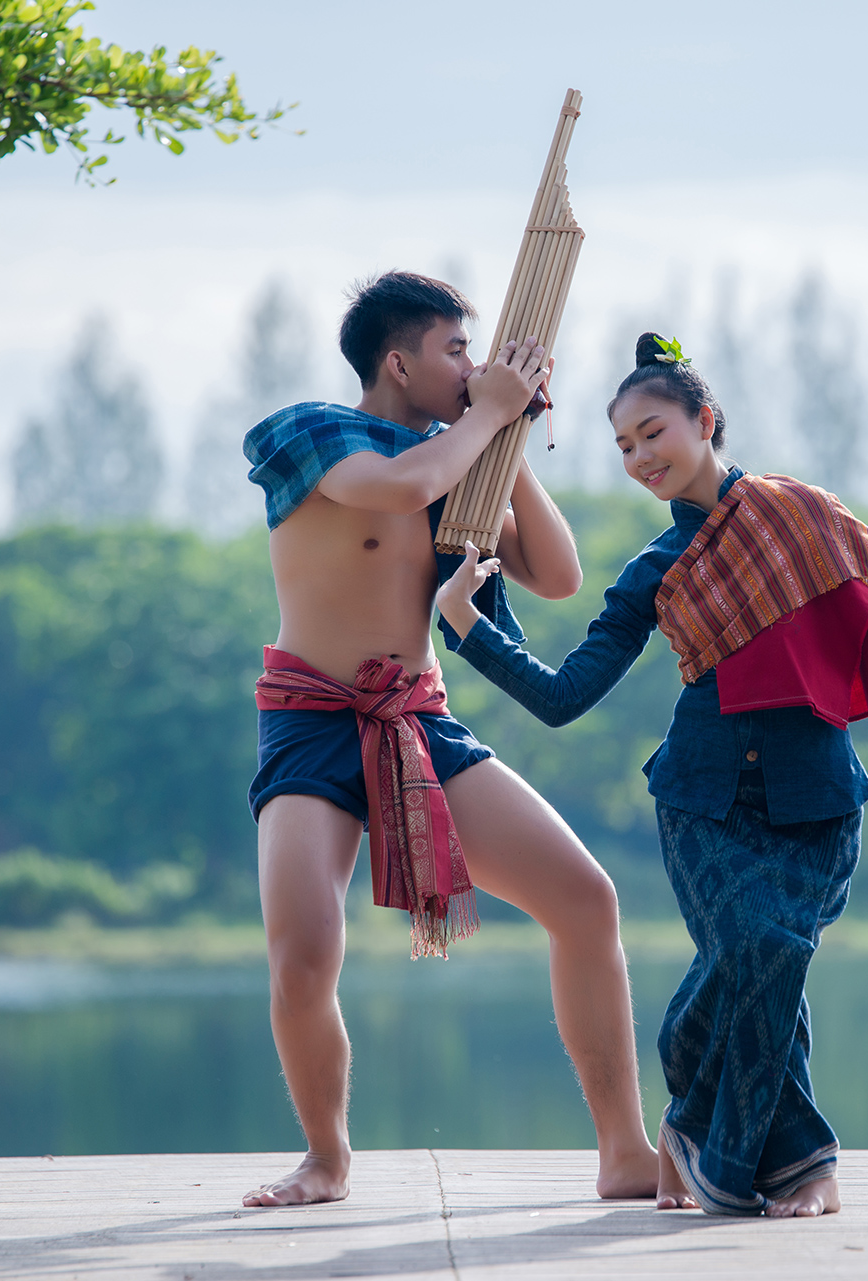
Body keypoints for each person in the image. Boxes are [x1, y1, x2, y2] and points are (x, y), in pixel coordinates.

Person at [436, 332, 868, 1218]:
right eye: (622, 447)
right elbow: (564, 696)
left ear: (704, 419)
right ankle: (780, 1164)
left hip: (818, 798)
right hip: (703, 800)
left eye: (652, 432)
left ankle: (715, 1137)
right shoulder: (655, 569)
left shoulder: (812, 515)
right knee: (760, 952)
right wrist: (470, 626)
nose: (639, 458)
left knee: (773, 966)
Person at [239, 272, 658, 1208]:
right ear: (398, 360)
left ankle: (625, 1150)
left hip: (417, 716)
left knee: (587, 900)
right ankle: (326, 1158)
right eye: (456, 351)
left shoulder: (461, 453)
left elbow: (554, 574)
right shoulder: (313, 432)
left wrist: (508, 438)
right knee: (303, 949)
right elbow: (398, 488)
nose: (473, 367)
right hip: (312, 720)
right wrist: (484, 420)